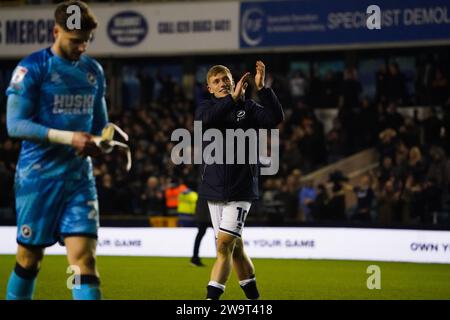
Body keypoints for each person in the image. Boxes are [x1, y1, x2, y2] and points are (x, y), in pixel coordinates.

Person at [5, 1, 108, 300]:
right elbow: (15, 125)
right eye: (75, 41)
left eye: (86, 41)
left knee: (84, 261)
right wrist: (70, 138)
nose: (82, 48)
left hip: (78, 180)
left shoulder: (94, 71)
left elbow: (100, 124)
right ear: (56, 31)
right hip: (38, 180)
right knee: (29, 259)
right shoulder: (32, 68)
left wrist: (105, 140)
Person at [195, 61, 284, 300]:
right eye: (217, 81)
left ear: (234, 83)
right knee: (236, 250)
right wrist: (231, 101)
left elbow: (276, 118)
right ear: (209, 88)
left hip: (241, 189)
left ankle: (209, 302)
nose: (222, 83)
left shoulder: (251, 109)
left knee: (223, 246)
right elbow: (206, 122)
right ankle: (255, 300)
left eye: (226, 79)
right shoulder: (204, 109)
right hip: (213, 191)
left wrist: (263, 89)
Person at [190, 197, 210, 267]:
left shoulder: (202, 188)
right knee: (219, 235)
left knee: (200, 234)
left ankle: (195, 258)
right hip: (207, 214)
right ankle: (221, 258)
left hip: (202, 214)